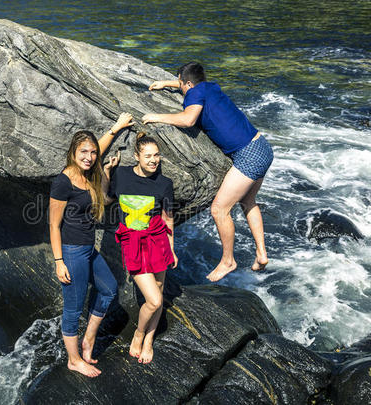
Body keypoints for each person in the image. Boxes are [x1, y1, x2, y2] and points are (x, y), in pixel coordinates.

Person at [142, 62, 273, 282]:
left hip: (248, 155)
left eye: (181, 85)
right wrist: (167, 83)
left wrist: (156, 116)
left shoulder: (194, 92)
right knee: (248, 201)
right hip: (262, 146)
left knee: (219, 209)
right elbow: (189, 84)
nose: (182, 88)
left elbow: (188, 119)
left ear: (189, 84)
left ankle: (228, 261)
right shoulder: (209, 87)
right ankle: (261, 254)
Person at [49, 113, 133, 377]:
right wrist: (59, 261)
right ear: (73, 152)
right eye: (83, 151)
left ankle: (88, 341)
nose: (89, 156)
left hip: (88, 250)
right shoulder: (63, 182)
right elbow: (53, 225)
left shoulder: (91, 172)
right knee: (73, 309)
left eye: (92, 153)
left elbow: (102, 146)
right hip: (72, 252)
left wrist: (117, 128)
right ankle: (73, 360)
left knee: (108, 290)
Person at [107, 134, 177, 364]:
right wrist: (107, 172)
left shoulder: (164, 183)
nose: (153, 160)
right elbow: (106, 198)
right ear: (136, 156)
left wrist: (172, 249)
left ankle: (149, 341)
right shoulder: (121, 175)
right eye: (148, 156)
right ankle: (138, 334)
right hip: (133, 241)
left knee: (159, 289)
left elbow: (168, 219)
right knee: (155, 300)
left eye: (157, 155)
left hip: (158, 240)